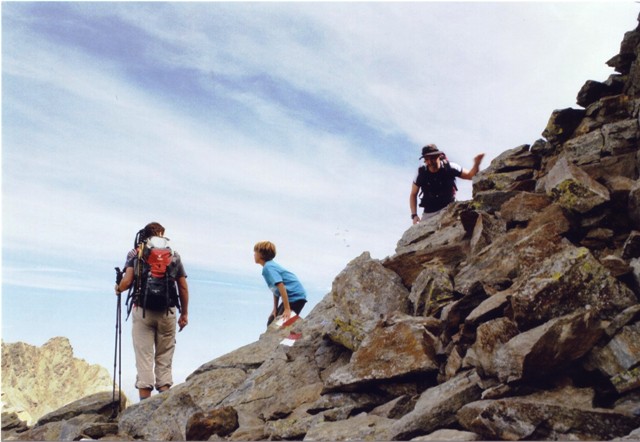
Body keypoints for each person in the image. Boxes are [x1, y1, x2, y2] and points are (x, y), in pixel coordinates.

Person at [115, 222, 189, 400]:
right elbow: (183, 288)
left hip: (142, 311)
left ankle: (144, 405)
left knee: (144, 358)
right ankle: (164, 401)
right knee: (164, 357)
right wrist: (184, 314)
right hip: (168, 311)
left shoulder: (135, 253)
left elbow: (126, 283)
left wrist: (118, 287)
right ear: (162, 234)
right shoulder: (174, 255)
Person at [410, 144, 485, 224]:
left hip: (450, 208)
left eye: (433, 158)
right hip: (429, 212)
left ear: (438, 156)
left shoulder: (450, 167)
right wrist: (414, 215)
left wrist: (476, 164)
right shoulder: (421, 172)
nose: (430, 162)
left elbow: (471, 176)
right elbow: (413, 194)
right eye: (427, 159)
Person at [254, 241, 307, 327]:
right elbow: (276, 290)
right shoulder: (269, 266)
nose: (254, 255)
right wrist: (275, 309)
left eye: (255, 252)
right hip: (292, 298)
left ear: (261, 255)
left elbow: (281, 286)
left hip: (296, 297)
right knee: (272, 321)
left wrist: (287, 309)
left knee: (280, 325)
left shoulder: (269, 267)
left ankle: (298, 335)